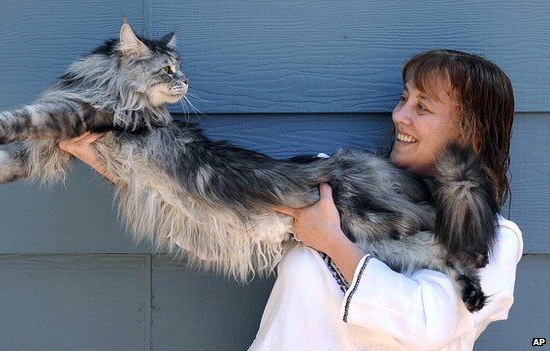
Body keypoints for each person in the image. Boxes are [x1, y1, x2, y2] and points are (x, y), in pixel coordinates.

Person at [59, 49, 523, 351]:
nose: (399, 114)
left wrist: (333, 242)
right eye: (404, 98)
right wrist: (113, 165)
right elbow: (225, 229)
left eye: (422, 108)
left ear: (470, 131)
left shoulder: (495, 240)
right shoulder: (330, 183)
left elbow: (427, 324)